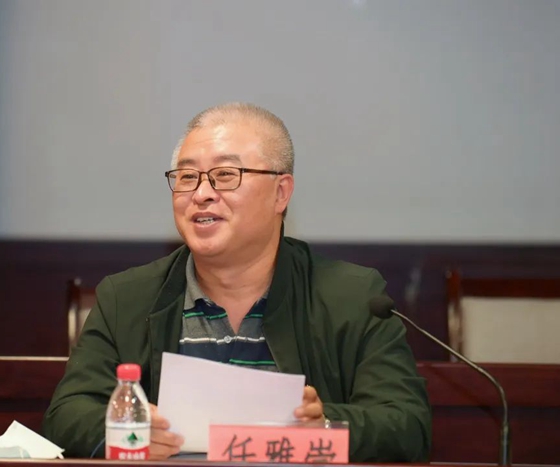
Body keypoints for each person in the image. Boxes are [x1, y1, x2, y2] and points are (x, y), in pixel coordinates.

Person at [42, 102, 432, 462]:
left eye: (225, 175)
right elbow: (65, 417)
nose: (201, 194)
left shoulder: (352, 296)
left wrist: (324, 427)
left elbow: (407, 425)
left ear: (281, 193)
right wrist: (129, 431)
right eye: (187, 177)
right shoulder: (127, 298)